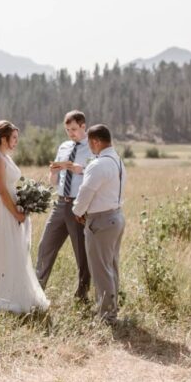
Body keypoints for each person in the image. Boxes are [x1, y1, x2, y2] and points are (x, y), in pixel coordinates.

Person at [0, 121, 49, 313]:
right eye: (14, 138)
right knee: (2, 251)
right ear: (4, 138)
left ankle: (15, 292)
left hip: (12, 207)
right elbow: (2, 191)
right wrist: (16, 212)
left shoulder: (6, 157)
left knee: (15, 252)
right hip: (3, 210)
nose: (16, 142)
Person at [35, 110, 93, 300]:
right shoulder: (64, 147)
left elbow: (99, 175)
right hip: (60, 204)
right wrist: (53, 172)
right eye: (68, 130)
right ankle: (37, 292)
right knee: (45, 246)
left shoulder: (92, 148)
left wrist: (80, 169)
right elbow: (54, 181)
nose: (71, 133)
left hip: (79, 205)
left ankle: (82, 295)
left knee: (81, 253)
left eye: (74, 129)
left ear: (83, 126)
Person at [73, 124, 127, 324]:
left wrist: (77, 211)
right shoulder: (118, 161)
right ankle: (111, 309)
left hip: (101, 220)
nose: (90, 147)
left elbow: (86, 192)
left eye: (90, 143)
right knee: (111, 265)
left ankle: (106, 315)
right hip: (116, 216)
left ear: (96, 141)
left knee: (101, 269)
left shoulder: (99, 164)